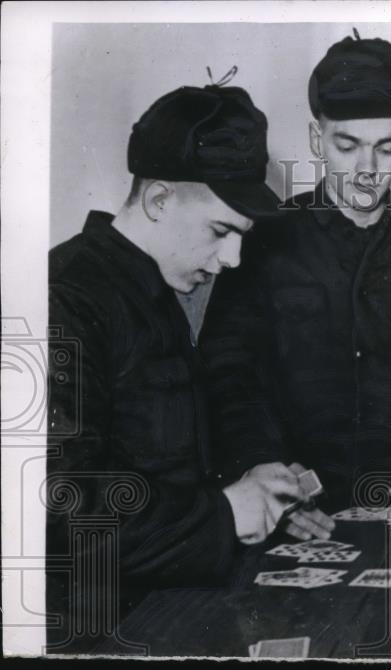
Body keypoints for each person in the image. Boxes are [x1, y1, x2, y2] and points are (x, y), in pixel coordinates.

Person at [46, 83, 334, 653]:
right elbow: (60, 511)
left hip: (165, 608)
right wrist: (225, 513)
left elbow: (166, 469)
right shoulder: (64, 298)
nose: (231, 260)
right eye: (220, 231)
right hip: (91, 633)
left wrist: (258, 490)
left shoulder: (152, 290)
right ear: (157, 200)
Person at [205, 33, 391, 511]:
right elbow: (227, 375)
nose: (368, 168)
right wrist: (260, 464)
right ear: (317, 139)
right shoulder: (264, 239)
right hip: (291, 510)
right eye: (348, 145)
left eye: (385, 147)